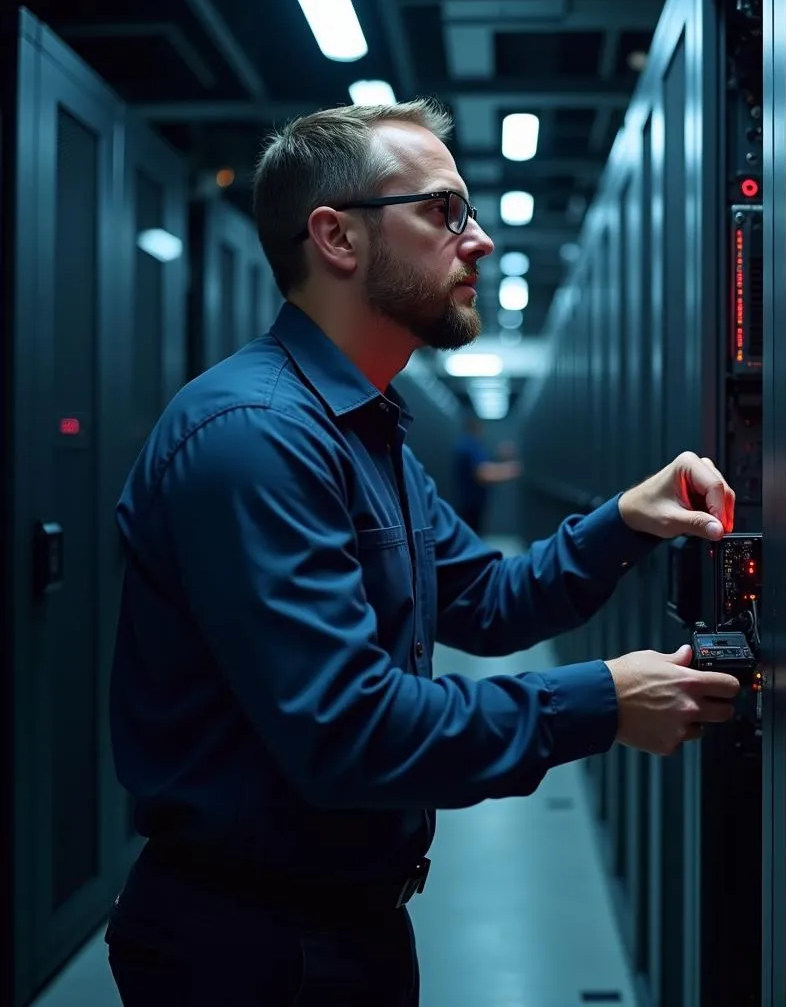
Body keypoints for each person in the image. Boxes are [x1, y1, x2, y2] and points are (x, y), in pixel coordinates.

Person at [103, 97, 741, 1007]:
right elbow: (348, 732)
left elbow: (488, 598)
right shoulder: (255, 436)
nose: (476, 240)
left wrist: (625, 521)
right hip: (250, 950)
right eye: (443, 210)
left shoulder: (364, 428)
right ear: (337, 238)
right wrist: (600, 702)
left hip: (345, 923)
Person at [451, 411, 521, 532]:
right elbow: (483, 473)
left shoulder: (472, 445)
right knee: (471, 535)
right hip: (470, 504)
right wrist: (511, 470)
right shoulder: (469, 446)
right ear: (477, 427)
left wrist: (501, 458)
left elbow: (485, 464)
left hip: (473, 502)